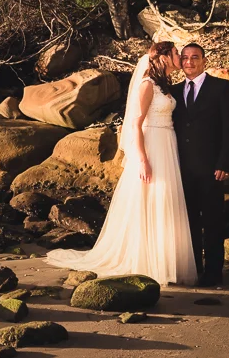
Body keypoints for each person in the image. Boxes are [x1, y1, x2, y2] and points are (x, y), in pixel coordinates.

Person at [44, 41, 197, 286]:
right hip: (153, 145)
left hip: (167, 142)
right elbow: (135, 124)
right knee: (150, 198)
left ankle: (165, 260)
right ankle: (146, 261)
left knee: (165, 200)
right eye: (176, 53)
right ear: (164, 57)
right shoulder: (147, 85)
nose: (180, 56)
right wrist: (142, 159)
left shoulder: (164, 85)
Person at [170, 43, 229, 287]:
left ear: (204, 60)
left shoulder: (221, 88)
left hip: (212, 168)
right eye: (185, 58)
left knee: (212, 221)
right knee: (187, 221)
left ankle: (213, 272)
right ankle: (193, 269)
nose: (189, 62)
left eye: (195, 57)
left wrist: (225, 162)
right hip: (180, 168)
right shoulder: (173, 92)